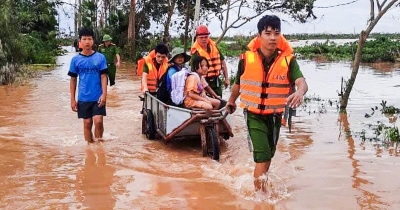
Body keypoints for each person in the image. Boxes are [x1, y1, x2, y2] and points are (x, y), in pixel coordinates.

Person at [226, 15, 308, 192]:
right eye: (268, 33)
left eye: (276, 33)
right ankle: (260, 199)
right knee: (262, 157)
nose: (272, 37)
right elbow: (238, 84)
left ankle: (261, 184)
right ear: (259, 35)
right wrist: (231, 101)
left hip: (275, 116)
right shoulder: (246, 59)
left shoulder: (288, 60)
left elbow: (301, 81)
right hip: (254, 114)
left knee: (269, 154)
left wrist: (299, 92)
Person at [68, 27, 108, 143]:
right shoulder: (75, 60)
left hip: (98, 96)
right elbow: (73, 79)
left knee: (98, 121)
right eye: (84, 39)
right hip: (83, 97)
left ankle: (99, 146)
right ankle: (90, 147)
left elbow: (104, 77)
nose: (87, 42)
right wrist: (72, 99)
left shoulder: (100, 57)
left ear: (93, 41)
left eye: (89, 39)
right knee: (87, 123)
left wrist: (104, 94)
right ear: (80, 41)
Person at [190, 25, 229, 97]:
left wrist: (226, 78)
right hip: (204, 82)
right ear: (197, 38)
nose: (204, 39)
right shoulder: (195, 52)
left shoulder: (214, 46)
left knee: (219, 101)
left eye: (206, 37)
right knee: (209, 104)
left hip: (216, 81)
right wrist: (201, 88)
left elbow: (222, 62)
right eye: (201, 38)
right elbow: (194, 72)